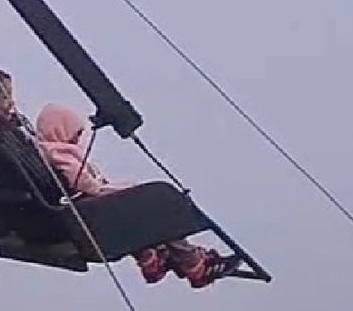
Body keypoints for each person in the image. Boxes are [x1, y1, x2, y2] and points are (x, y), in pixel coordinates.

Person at [32, 102, 226, 289]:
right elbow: (81, 182)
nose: (76, 140)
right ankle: (193, 263)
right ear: (60, 131)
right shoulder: (60, 153)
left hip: (87, 210)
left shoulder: (49, 152)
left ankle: (149, 257)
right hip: (90, 210)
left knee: (136, 210)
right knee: (157, 209)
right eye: (74, 134)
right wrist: (97, 185)